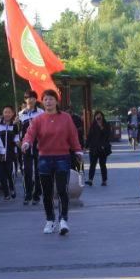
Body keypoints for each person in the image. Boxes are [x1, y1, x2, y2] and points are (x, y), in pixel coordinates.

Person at [22, 89, 83, 235]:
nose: (48, 102)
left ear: (57, 101)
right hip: (44, 158)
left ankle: (63, 220)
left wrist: (78, 151)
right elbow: (30, 134)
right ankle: (50, 220)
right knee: (47, 192)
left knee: (62, 190)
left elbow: (73, 136)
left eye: (51, 99)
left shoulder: (66, 118)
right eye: (46, 99)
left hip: (62, 157)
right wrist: (26, 143)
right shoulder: (38, 119)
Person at [19, 90, 44, 205]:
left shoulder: (41, 113)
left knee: (39, 172)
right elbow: (16, 132)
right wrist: (16, 124)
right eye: (29, 98)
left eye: (34, 98)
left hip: (39, 147)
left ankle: (37, 195)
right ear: (25, 100)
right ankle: (27, 194)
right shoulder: (20, 115)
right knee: (27, 171)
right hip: (26, 148)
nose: (31, 100)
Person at [0, 105, 20, 201]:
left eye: (9, 112)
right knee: (2, 175)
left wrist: (17, 146)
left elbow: (16, 138)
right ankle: (6, 193)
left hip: (10, 154)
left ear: (13, 113)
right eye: (5, 112)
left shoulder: (14, 125)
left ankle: (12, 188)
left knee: (10, 173)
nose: (7, 114)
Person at [84, 111, 111, 187]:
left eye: (100, 116)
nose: (98, 117)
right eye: (97, 116)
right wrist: (85, 146)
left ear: (102, 117)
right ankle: (90, 180)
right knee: (92, 164)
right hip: (94, 148)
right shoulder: (92, 126)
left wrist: (101, 127)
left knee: (102, 164)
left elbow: (108, 134)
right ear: (94, 117)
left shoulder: (106, 125)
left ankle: (104, 180)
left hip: (103, 148)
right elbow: (89, 137)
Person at [65, 106, 84, 172]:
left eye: (70, 112)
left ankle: (81, 179)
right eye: (66, 112)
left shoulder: (77, 119)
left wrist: (82, 146)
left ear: (72, 111)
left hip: (77, 145)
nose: (68, 114)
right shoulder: (63, 119)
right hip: (67, 146)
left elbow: (81, 134)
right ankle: (72, 181)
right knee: (71, 166)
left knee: (79, 164)